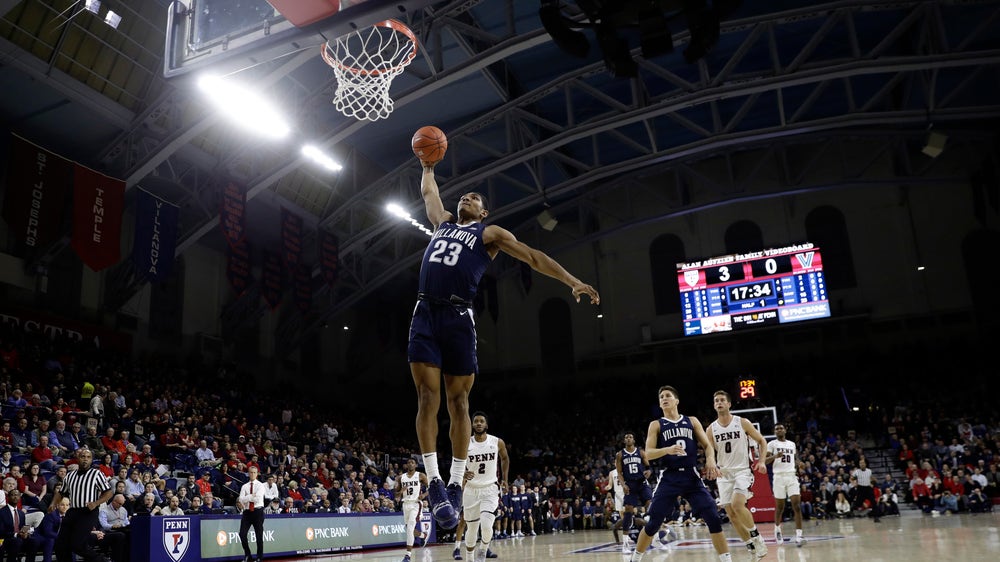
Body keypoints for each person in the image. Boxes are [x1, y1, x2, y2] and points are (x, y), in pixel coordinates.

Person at [409, 161, 600, 529]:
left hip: (458, 317)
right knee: (426, 397)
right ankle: (434, 480)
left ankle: (454, 482)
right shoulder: (442, 223)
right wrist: (427, 165)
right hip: (425, 313)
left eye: (475, 198)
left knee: (459, 401)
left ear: (484, 212)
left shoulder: (488, 233)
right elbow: (429, 192)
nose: (466, 197)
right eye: (464, 194)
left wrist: (571, 281)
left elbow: (533, 256)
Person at [627, 386, 731, 562]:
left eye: (668, 396)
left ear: (676, 401)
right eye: (661, 397)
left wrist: (711, 460)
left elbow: (707, 446)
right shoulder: (656, 424)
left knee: (713, 517)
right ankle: (635, 559)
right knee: (653, 523)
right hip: (669, 476)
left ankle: (726, 560)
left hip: (691, 476)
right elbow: (649, 453)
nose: (664, 399)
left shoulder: (691, 421)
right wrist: (667, 449)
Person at [707, 390, 768, 559]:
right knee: (732, 515)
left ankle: (757, 537)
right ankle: (751, 547)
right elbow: (709, 451)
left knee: (737, 504)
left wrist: (761, 461)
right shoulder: (711, 429)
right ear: (714, 405)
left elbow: (762, 441)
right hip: (724, 473)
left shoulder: (742, 422)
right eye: (716, 401)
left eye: (722, 400)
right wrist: (711, 462)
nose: (719, 403)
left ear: (729, 404)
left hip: (742, 471)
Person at [49, 448, 114, 562]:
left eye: (88, 457)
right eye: (83, 456)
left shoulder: (96, 474)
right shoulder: (70, 476)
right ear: (78, 458)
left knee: (77, 545)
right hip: (72, 511)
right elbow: (61, 492)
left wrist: (96, 503)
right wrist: (53, 503)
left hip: (88, 512)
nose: (85, 459)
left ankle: (102, 560)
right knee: (60, 546)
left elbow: (109, 492)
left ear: (92, 460)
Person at [461, 412, 508, 562]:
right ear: (472, 425)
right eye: (476, 421)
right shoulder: (464, 443)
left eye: (482, 421)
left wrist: (505, 479)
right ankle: (469, 558)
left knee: (487, 526)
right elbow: (456, 463)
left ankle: (482, 551)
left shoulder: (497, 442)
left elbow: (505, 458)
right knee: (472, 529)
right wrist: (463, 472)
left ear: (486, 425)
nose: (479, 423)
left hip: (490, 489)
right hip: (471, 490)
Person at [765, 423, 805, 547]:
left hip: (791, 476)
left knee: (797, 506)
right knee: (780, 508)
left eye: (781, 428)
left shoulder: (791, 444)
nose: (779, 430)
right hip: (778, 477)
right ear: (774, 432)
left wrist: (799, 463)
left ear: (785, 430)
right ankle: (777, 529)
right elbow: (765, 461)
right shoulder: (771, 444)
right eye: (777, 429)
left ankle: (799, 535)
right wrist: (775, 456)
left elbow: (794, 458)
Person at [615, 432, 652, 553]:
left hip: (641, 482)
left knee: (650, 503)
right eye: (626, 437)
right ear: (624, 441)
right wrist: (623, 484)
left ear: (634, 440)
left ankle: (651, 528)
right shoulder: (620, 455)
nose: (628, 438)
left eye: (630, 437)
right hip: (630, 484)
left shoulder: (641, 452)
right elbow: (619, 473)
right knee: (628, 511)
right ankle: (625, 542)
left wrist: (649, 472)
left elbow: (648, 467)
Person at [395, 458, 428, 562]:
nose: (410, 464)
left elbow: (431, 487)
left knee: (409, 529)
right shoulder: (401, 477)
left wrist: (424, 495)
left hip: (416, 504)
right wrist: (400, 491)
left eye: (412, 462)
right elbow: (395, 494)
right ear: (406, 465)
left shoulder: (421, 475)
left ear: (416, 465)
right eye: (408, 462)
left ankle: (408, 555)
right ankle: (423, 535)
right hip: (405, 505)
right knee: (410, 530)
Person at [237, 465, 266, 562]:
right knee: (242, 534)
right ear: (248, 473)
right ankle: (248, 555)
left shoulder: (261, 485)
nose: (253, 474)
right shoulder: (244, 486)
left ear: (257, 474)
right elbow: (241, 500)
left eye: (254, 472)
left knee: (259, 535)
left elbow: (258, 498)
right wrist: (250, 496)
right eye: (251, 472)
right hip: (247, 513)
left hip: (258, 511)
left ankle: (259, 557)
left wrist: (247, 497)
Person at [1, 489, 38, 562]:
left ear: (19, 497)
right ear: (8, 497)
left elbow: (22, 528)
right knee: (17, 541)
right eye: (13, 495)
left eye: (17, 495)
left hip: (19, 539)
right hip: (7, 539)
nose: (15, 497)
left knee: (34, 541)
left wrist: (25, 533)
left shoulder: (21, 513)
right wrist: (16, 535)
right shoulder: (2, 512)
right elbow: (1, 531)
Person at [604, 467, 626, 544]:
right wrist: (608, 487)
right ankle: (626, 533)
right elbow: (610, 484)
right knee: (622, 515)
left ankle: (630, 530)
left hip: (626, 492)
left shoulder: (625, 469)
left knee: (627, 512)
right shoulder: (612, 472)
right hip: (618, 494)